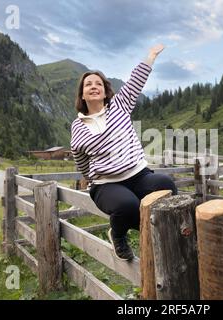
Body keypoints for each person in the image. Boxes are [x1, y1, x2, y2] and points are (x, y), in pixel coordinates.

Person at [70, 44, 177, 261]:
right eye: (88, 84)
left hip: (139, 175)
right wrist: (90, 178)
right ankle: (118, 235)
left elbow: (136, 81)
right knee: (128, 206)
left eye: (98, 83)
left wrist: (151, 56)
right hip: (106, 183)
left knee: (166, 184)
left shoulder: (120, 106)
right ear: (82, 94)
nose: (93, 86)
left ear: (105, 90)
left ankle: (172, 233)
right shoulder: (78, 126)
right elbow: (79, 157)